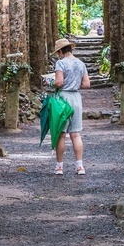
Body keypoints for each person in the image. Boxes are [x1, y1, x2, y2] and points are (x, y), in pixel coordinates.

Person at [51, 38, 90, 175]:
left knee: (61, 134)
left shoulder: (60, 63)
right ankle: (80, 166)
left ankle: (59, 167)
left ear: (61, 51)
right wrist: (74, 83)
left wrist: (50, 82)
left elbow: (59, 82)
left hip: (63, 98)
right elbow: (86, 84)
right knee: (75, 134)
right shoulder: (81, 63)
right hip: (76, 98)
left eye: (58, 52)